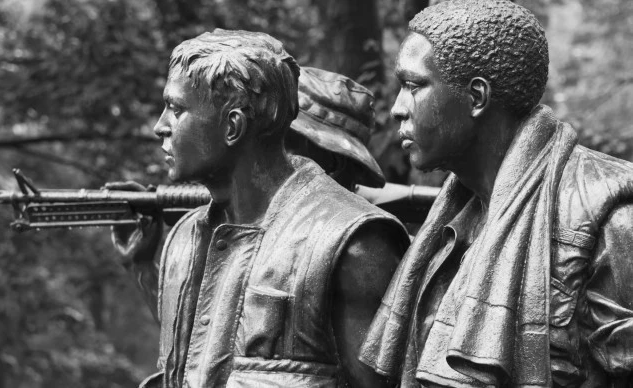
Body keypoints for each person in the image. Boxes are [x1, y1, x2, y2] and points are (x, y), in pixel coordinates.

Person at [112, 29, 408, 388]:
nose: (160, 127)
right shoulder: (184, 239)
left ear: (233, 125)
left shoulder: (354, 244)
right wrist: (144, 268)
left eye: (176, 109)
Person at [358, 0, 633, 387]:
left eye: (414, 85)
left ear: (477, 98)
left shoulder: (607, 211)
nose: (398, 110)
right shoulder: (454, 220)